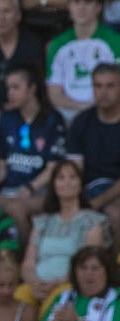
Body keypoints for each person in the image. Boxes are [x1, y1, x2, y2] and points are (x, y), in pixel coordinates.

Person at [22, 160, 110, 307]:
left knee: (53, 301)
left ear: (80, 183)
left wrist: (56, 284)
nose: (67, 182)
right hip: (37, 285)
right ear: (54, 185)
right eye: (61, 178)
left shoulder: (92, 221)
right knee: (20, 297)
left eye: (72, 177)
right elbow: (28, 264)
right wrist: (34, 283)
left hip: (70, 285)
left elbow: (89, 265)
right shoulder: (42, 221)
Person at [0, 64, 69, 233]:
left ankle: (24, 257)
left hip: (40, 191)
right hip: (8, 189)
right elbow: (1, 162)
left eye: (16, 87)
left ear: (32, 89)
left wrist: (29, 188)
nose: (10, 93)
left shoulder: (52, 120)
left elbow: (54, 168)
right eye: (8, 88)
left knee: (16, 209)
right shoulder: (6, 119)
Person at [66, 62, 120, 239]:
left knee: (114, 214)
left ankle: (112, 265)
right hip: (87, 189)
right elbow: (75, 169)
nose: (103, 92)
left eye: (110, 86)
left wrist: (98, 202)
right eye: (98, 86)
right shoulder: (81, 121)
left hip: (115, 190)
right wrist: (76, 200)